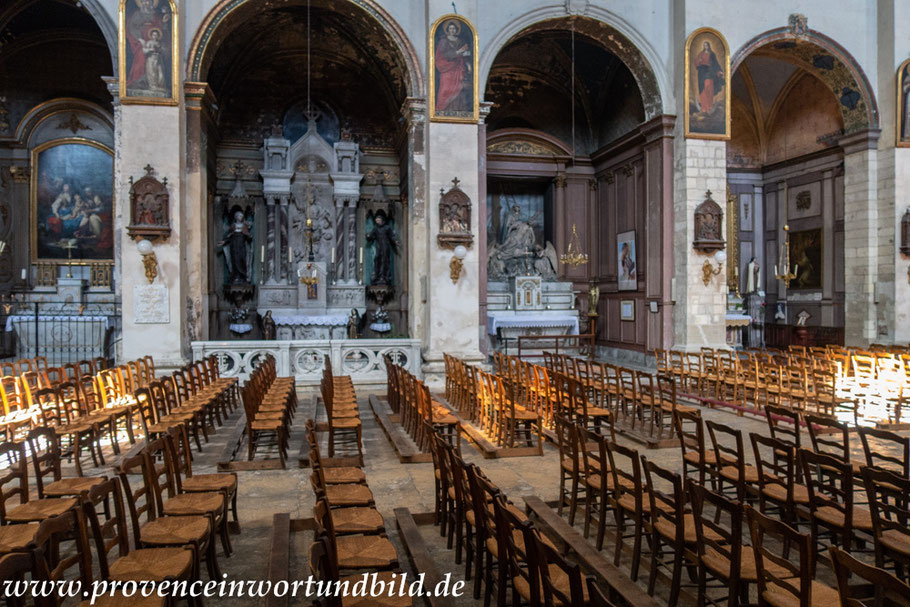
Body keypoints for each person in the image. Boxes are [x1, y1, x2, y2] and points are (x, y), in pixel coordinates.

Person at [434, 19, 471, 112]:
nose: (452, 30)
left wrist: (468, 64)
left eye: (454, 29)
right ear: (447, 30)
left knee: (459, 89)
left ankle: (458, 110)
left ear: (456, 30)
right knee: (446, 89)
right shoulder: (443, 41)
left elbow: (464, 56)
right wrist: (459, 51)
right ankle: (442, 109)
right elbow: (445, 55)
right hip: (447, 68)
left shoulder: (460, 41)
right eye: (450, 29)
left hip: (459, 68)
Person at [366, 212, 400, 285]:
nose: (377, 221)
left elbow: (392, 236)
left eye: (378, 220)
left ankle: (384, 276)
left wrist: (395, 241)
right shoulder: (375, 228)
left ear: (382, 220)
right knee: (377, 259)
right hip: (378, 246)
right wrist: (368, 236)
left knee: (385, 260)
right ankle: (378, 276)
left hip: (385, 245)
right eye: (376, 220)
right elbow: (371, 236)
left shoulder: (387, 227)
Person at [220, 210, 252, 284]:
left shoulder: (244, 226)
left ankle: (243, 276)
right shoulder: (233, 226)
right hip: (234, 246)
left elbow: (248, 237)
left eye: (241, 216)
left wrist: (249, 235)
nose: (240, 217)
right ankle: (235, 276)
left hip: (241, 246)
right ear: (236, 217)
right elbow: (229, 236)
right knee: (234, 260)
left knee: (242, 260)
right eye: (239, 216)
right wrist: (224, 241)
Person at [694, 41, 724, 114]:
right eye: (704, 45)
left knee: (709, 88)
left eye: (706, 45)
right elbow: (696, 62)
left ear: (709, 46)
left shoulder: (712, 54)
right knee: (703, 89)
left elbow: (715, 63)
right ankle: (704, 107)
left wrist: (719, 70)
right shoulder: (701, 54)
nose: (705, 47)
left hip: (710, 73)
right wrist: (699, 61)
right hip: (702, 72)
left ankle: (710, 106)